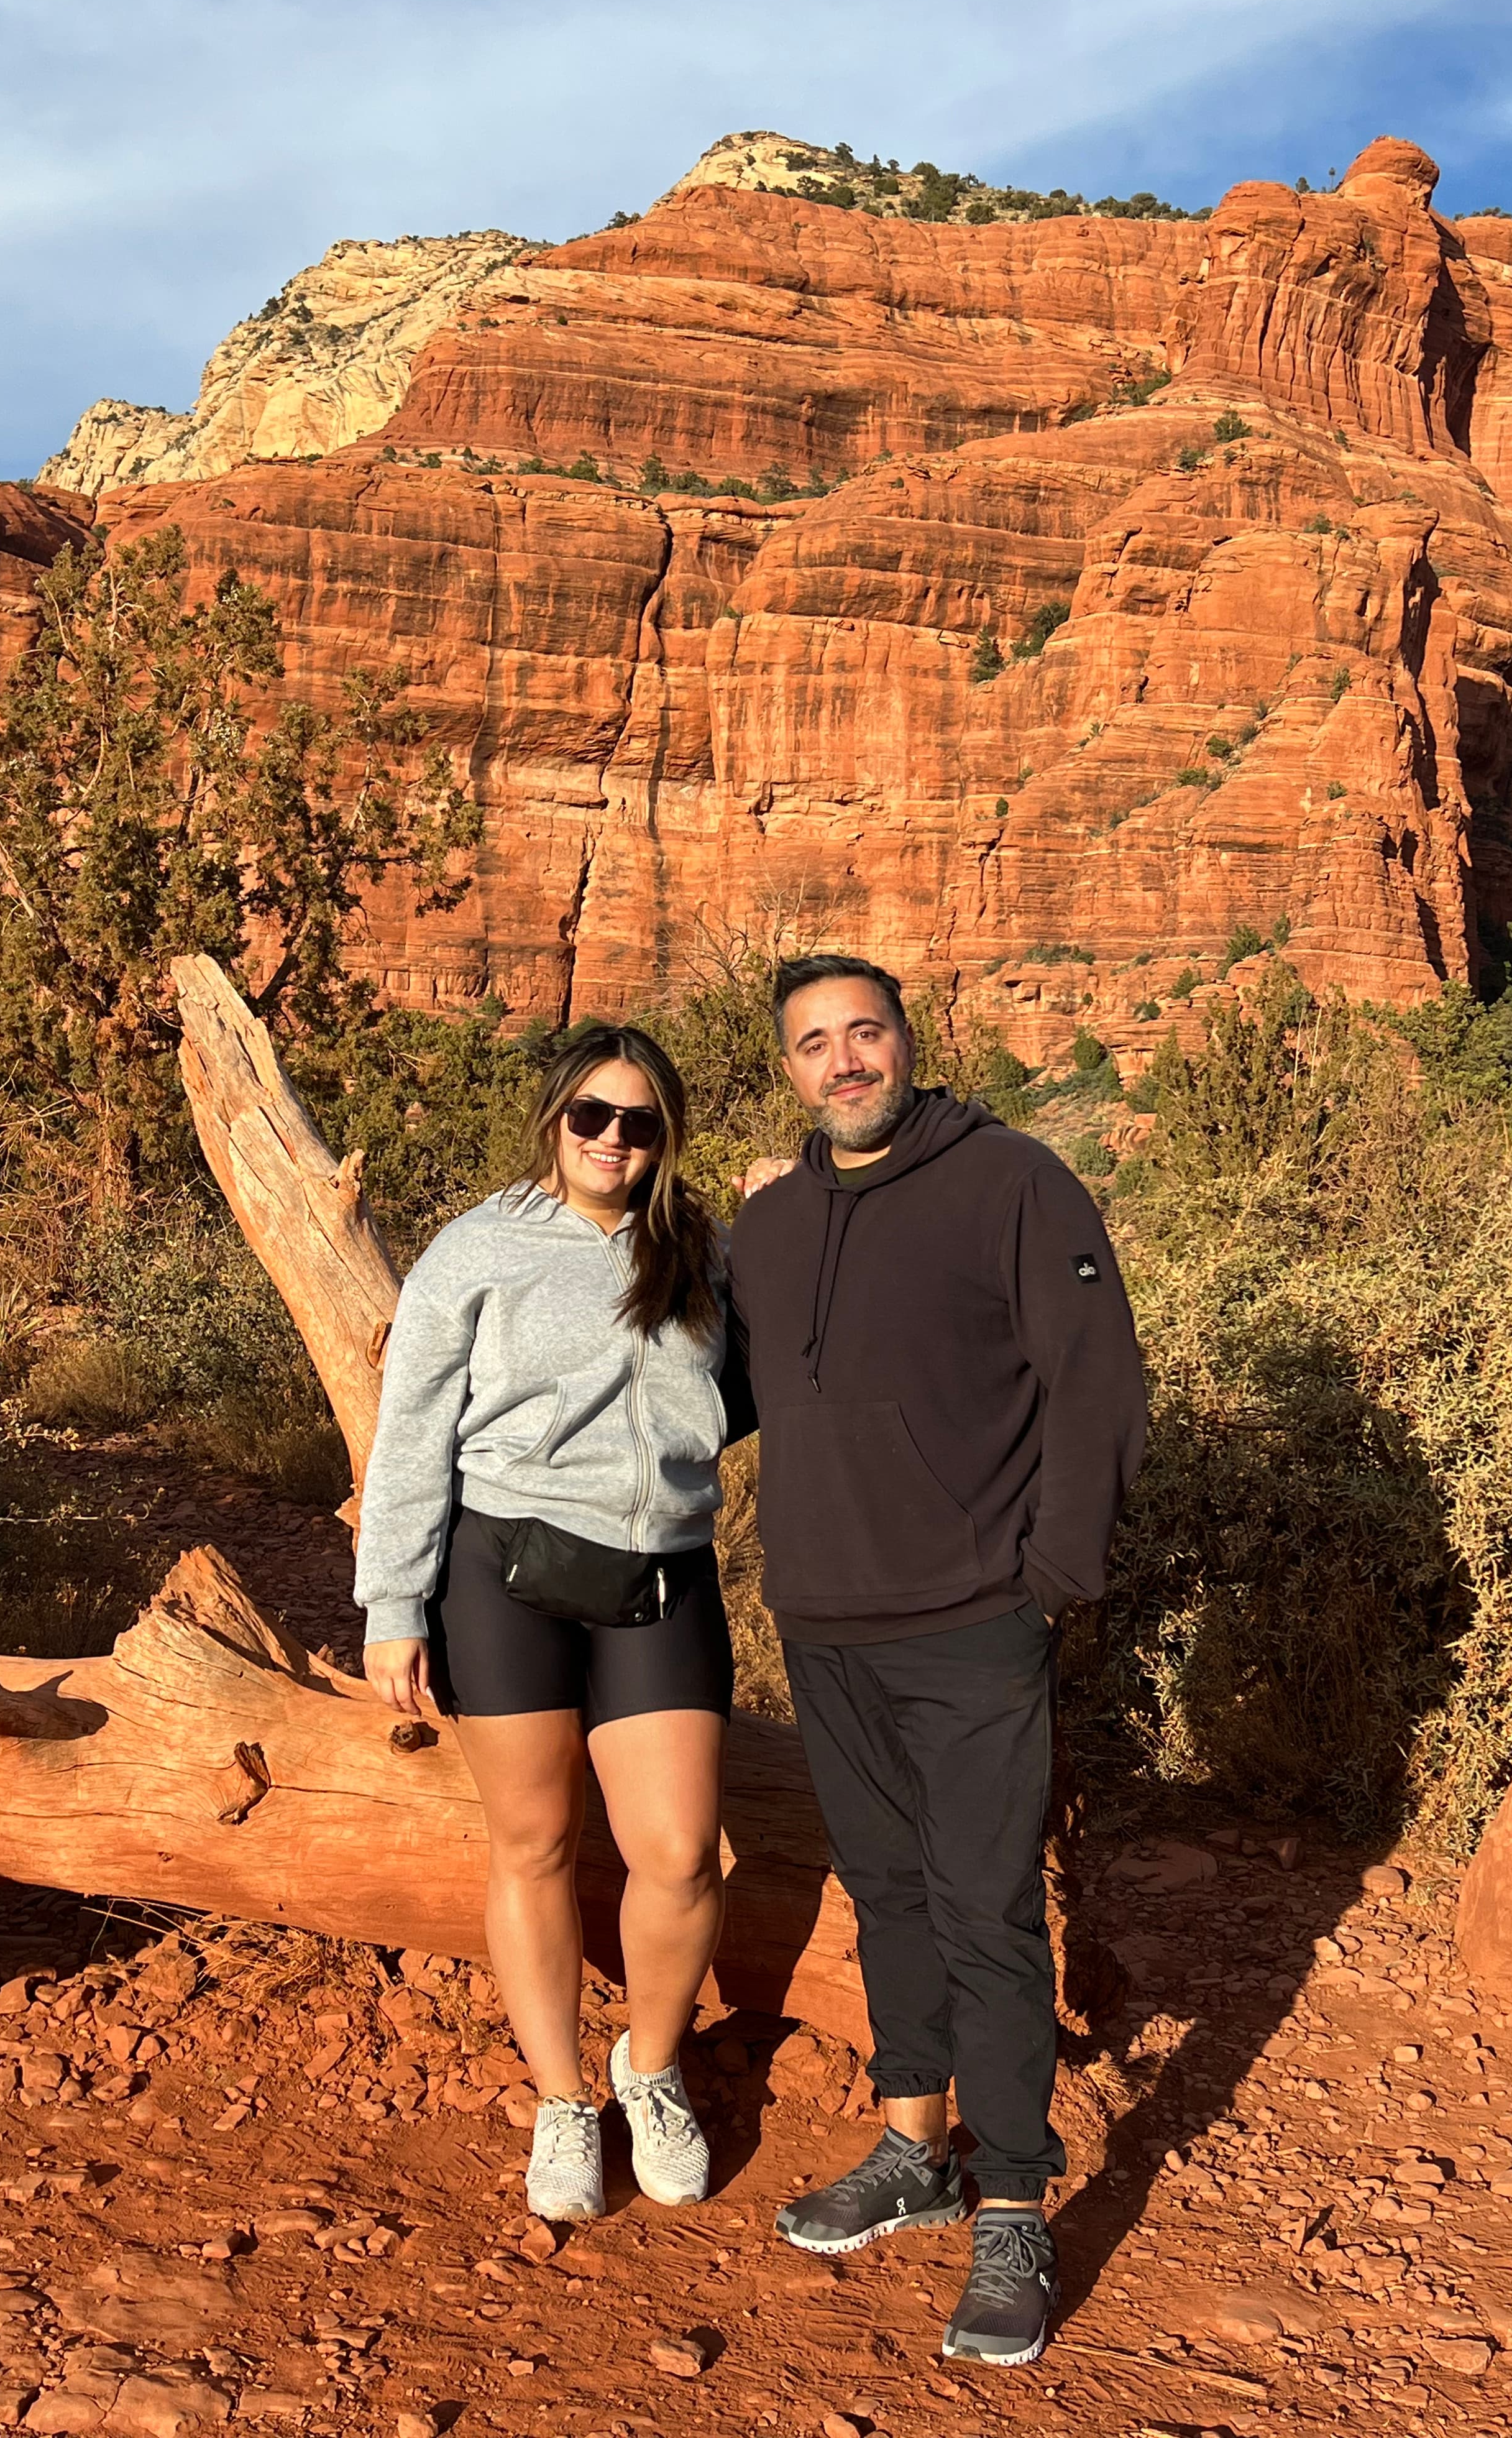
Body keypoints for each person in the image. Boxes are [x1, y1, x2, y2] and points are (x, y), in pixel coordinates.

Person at [728, 953, 1147, 2367]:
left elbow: (1098, 1380)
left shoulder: (1013, 1181)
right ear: (790, 1069)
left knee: (987, 1911)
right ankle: (915, 2147)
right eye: (814, 1044)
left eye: (866, 1032)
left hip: (972, 1622)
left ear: (909, 1042)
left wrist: (1052, 1581)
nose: (844, 1061)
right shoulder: (772, 1224)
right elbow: (725, 1392)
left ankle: (1015, 2202)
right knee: (889, 1894)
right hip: (822, 1622)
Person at [355, 1025, 737, 2222]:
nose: (614, 1140)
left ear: (665, 1136)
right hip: (503, 1568)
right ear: (555, 1119)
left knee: (680, 1851)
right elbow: (412, 1431)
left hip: (663, 1569)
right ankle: (565, 2099)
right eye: (592, 1116)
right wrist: (393, 1603)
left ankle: (650, 2070)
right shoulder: (476, 1249)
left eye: (640, 1122)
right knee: (534, 1844)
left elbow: (743, 1392)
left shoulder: (699, 1248)